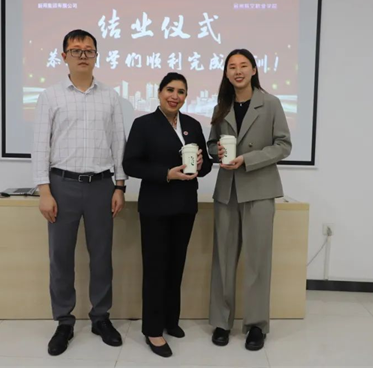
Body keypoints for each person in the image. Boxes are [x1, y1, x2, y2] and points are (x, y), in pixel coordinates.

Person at [32, 29, 127, 356]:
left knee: (101, 256)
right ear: (64, 57)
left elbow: (118, 144)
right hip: (62, 185)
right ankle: (64, 320)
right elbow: (40, 146)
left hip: (102, 185)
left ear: (96, 55)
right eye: (76, 50)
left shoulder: (110, 96)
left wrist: (119, 186)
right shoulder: (50, 96)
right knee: (61, 257)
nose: (83, 55)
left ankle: (101, 317)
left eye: (89, 50)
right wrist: (44, 191)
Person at [123, 72, 212, 357]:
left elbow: (207, 166)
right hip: (156, 207)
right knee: (156, 268)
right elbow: (131, 164)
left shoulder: (193, 125)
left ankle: (170, 320)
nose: (175, 96)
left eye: (181, 92)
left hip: (185, 206)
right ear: (160, 93)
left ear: (186, 96)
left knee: (176, 265)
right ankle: (152, 329)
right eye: (170, 90)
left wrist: (201, 162)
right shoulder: (143, 124)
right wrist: (166, 173)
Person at [207, 49, 292, 351]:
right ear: (226, 73)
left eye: (243, 65)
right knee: (223, 259)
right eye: (232, 66)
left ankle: (256, 325)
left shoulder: (271, 103)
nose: (238, 71)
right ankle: (221, 322)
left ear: (254, 70)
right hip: (227, 190)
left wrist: (248, 159)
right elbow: (211, 143)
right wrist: (216, 151)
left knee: (257, 260)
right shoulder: (222, 105)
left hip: (259, 188)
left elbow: (284, 145)